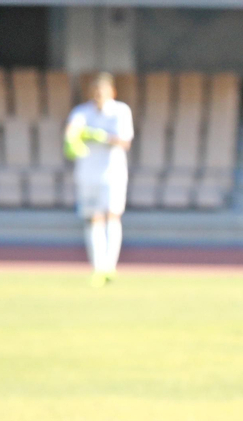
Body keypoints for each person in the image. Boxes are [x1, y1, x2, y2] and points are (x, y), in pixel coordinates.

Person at [63, 73, 134, 284]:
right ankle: (98, 266)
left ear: (112, 92)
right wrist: (71, 140)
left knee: (112, 215)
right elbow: (71, 130)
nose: (98, 96)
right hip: (87, 174)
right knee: (93, 218)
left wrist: (100, 136)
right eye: (95, 92)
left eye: (102, 92)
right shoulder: (82, 112)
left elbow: (125, 141)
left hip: (113, 173)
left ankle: (110, 267)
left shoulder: (121, 111)